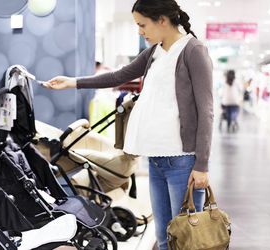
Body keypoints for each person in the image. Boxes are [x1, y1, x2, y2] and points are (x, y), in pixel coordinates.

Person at [42, 0, 213, 249]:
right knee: (165, 238)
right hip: (156, 158)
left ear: (162, 20)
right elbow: (118, 76)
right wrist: (72, 82)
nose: (139, 31)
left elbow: (206, 111)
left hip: (183, 161)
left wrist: (202, 165)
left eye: (142, 24)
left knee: (186, 240)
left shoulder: (193, 51)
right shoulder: (155, 51)